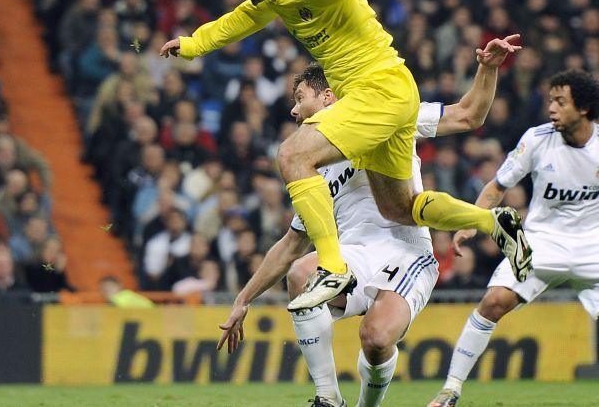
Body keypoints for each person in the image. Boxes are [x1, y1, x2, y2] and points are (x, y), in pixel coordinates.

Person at [161, 0, 530, 309]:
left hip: (378, 90)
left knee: (292, 156)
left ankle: (333, 268)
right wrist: (191, 45)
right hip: (387, 95)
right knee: (399, 207)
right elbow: (239, 21)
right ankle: (493, 222)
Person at [218, 35, 516, 407]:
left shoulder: (386, 113)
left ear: (328, 97)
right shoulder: (309, 166)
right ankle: (328, 398)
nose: (294, 112)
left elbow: (468, 114)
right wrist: (243, 299)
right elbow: (291, 244)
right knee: (299, 274)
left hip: (407, 252)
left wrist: (487, 68)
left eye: (300, 99)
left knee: (375, 338)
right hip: (353, 254)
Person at [428, 70, 599, 407]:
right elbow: (497, 187)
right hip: (542, 243)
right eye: (551, 100)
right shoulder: (537, 139)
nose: (551, 108)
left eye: (560, 102)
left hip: (593, 246)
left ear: (583, 109)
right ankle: (450, 390)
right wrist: (468, 224)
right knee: (493, 302)